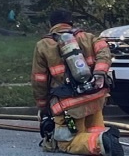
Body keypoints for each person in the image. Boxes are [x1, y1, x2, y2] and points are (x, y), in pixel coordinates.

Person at [31, 8, 120, 155]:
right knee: (93, 132)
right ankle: (103, 139)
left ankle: (101, 142)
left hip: (69, 107)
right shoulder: (88, 37)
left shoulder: (43, 45)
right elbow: (105, 52)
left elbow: (39, 80)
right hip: (95, 99)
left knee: (67, 142)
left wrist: (43, 106)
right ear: (71, 23)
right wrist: (99, 73)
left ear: (51, 24)